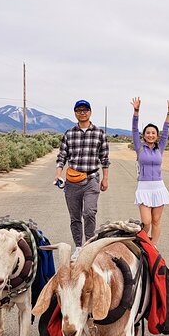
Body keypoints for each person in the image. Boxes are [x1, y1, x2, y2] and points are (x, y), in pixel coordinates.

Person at [54, 99, 110, 249]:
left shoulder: (99, 134)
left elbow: (104, 158)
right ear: (75, 113)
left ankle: (89, 245)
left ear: (90, 112)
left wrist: (105, 179)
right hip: (72, 182)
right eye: (79, 110)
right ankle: (79, 247)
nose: (82, 112)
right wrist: (58, 174)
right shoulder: (69, 134)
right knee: (75, 217)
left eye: (85, 110)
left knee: (89, 213)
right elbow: (62, 156)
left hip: (92, 179)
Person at [131, 97, 169, 245]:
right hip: (144, 188)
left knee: (156, 221)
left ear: (156, 136)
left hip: (158, 187)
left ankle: (153, 248)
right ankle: (143, 244)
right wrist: (136, 112)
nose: (150, 135)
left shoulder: (160, 148)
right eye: (148, 133)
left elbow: (166, 131)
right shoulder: (139, 147)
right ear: (144, 135)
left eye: (153, 133)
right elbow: (134, 129)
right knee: (146, 222)